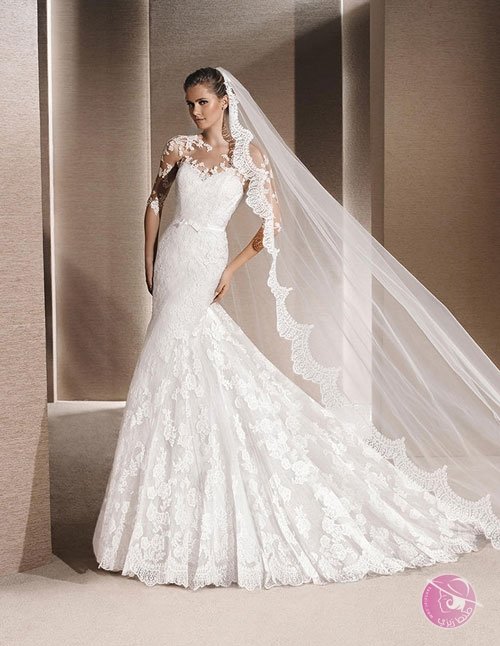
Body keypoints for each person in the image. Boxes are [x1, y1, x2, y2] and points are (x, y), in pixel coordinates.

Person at [92, 67, 500, 590]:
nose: (194, 113)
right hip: (174, 257)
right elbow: (154, 201)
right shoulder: (178, 149)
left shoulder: (248, 156)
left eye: (202, 103)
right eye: (189, 104)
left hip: (208, 258)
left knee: (183, 354)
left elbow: (274, 223)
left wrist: (231, 269)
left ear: (224, 101)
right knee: (165, 360)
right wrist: (147, 260)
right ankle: (161, 500)